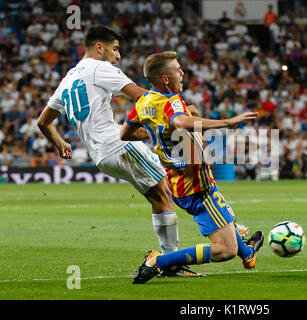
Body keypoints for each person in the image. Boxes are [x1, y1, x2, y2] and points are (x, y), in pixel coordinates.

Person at [36, 25, 201, 277]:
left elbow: (43, 122)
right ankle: (172, 261)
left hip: (102, 154)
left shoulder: (68, 78)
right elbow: (144, 98)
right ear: (99, 47)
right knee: (166, 192)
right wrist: (178, 110)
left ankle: (186, 249)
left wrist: (60, 143)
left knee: (163, 192)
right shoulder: (100, 68)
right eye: (115, 49)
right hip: (118, 145)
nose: (118, 56)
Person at [120, 51, 264, 284]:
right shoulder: (172, 101)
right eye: (178, 70)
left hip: (177, 182)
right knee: (225, 249)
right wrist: (228, 122)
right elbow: (180, 122)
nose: (182, 73)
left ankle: (248, 253)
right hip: (197, 184)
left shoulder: (143, 102)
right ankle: (158, 262)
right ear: (165, 78)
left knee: (226, 220)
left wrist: (162, 128)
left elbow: (125, 133)